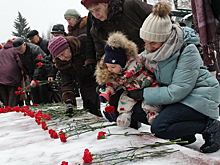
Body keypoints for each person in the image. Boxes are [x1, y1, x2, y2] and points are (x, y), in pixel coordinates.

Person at [127, 1, 220, 153]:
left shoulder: (187, 50)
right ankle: (185, 133)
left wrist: (144, 94)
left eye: (152, 43)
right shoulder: (155, 51)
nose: (148, 48)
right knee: (138, 111)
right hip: (180, 98)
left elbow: (178, 90)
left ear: (165, 37)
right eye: (145, 43)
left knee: (160, 127)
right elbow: (134, 64)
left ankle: (210, 126)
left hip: (199, 96)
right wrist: (114, 78)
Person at [95, 32, 161, 127]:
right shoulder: (116, 74)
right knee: (124, 100)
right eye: (108, 67)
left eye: (113, 67)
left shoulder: (137, 61)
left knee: (149, 102)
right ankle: (124, 116)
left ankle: (153, 115)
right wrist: (107, 93)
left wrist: (154, 71)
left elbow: (149, 64)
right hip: (131, 90)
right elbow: (113, 84)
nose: (110, 69)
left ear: (121, 63)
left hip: (148, 85)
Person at [81, 0, 152, 67]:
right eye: (91, 12)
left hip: (153, 55)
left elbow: (156, 16)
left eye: (97, 9)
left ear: (106, 4)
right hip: (129, 70)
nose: (96, 15)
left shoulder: (129, 5)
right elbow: (101, 54)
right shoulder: (97, 29)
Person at [47, 35, 101, 117]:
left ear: (68, 47)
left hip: (101, 74)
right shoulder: (62, 63)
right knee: (90, 106)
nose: (63, 58)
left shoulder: (84, 44)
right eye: (59, 56)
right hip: (85, 82)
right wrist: (69, 99)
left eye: (63, 53)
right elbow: (66, 81)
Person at [12, 37, 52, 104]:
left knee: (44, 95)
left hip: (44, 73)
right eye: (17, 50)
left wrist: (34, 78)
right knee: (35, 95)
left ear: (24, 44)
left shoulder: (34, 49)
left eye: (20, 49)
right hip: (34, 74)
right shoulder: (20, 53)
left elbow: (40, 64)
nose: (19, 51)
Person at [0, 39, 24, 107]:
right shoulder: (15, 50)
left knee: (6, 100)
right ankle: (11, 112)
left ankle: (7, 112)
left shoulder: (1, 52)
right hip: (13, 77)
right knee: (13, 100)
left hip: (1, 78)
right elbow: (20, 62)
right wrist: (25, 71)